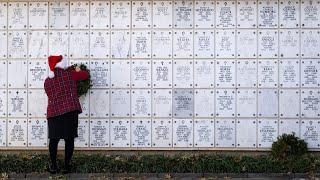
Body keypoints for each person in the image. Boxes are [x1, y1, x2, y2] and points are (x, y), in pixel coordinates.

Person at [44, 55, 89, 174]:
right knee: (69, 140)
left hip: (54, 113)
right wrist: (77, 70)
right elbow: (85, 75)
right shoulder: (70, 75)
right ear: (62, 64)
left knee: (54, 140)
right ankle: (66, 166)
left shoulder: (47, 81)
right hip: (70, 112)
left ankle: (53, 166)